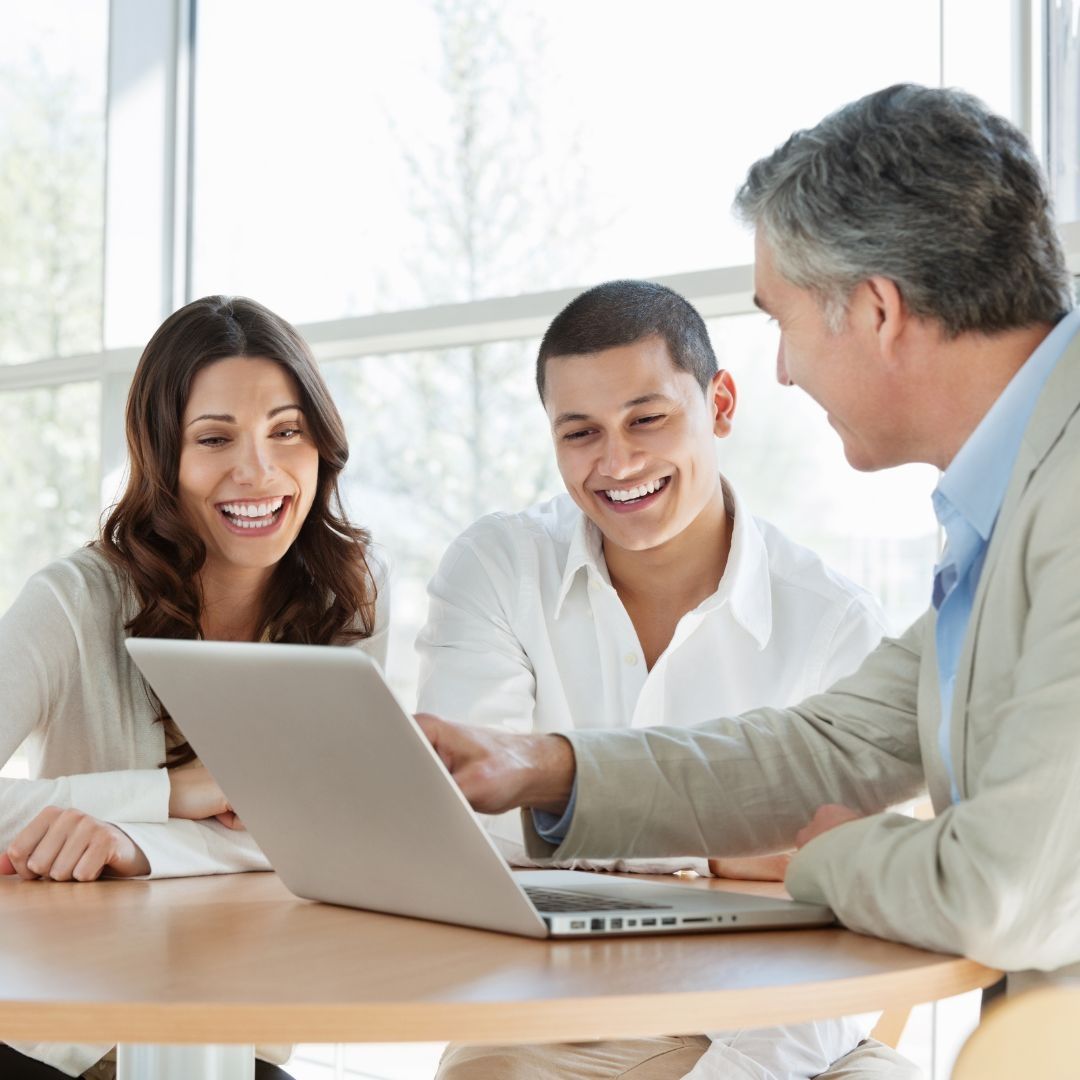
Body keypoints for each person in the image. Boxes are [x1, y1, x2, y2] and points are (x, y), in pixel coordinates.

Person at [417, 82, 1080, 1065]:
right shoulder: (1012, 496)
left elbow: (999, 892)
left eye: (782, 321)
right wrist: (551, 768)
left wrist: (822, 858)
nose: (782, 372)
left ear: (876, 309)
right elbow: (827, 744)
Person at [417, 280, 916, 1078]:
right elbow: (460, 829)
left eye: (647, 419)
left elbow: (835, 904)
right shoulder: (500, 567)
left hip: (775, 1021)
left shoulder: (831, 623)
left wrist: (581, 842)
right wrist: (707, 860)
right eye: (580, 432)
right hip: (546, 1020)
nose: (617, 462)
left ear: (719, 404)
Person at [0, 295, 388, 1080]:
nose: (259, 471)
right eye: (214, 439)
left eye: (288, 431)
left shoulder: (347, 600)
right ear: (162, 457)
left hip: (241, 1032)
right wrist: (171, 793)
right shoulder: (74, 601)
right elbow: (272, 830)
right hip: (61, 1037)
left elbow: (335, 836)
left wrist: (136, 843)